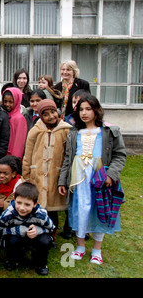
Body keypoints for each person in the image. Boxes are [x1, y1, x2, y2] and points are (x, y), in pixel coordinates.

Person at [58, 94, 126, 265]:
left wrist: (111, 175)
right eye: (81, 109)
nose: (84, 113)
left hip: (99, 178)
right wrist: (63, 181)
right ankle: (80, 247)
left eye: (88, 109)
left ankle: (97, 250)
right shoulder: (74, 133)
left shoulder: (109, 131)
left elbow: (119, 155)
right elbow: (67, 158)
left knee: (99, 211)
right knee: (80, 210)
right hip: (79, 179)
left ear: (96, 110)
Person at [22, 99, 72, 239]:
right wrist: (26, 175)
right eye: (46, 114)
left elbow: (68, 154)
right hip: (37, 174)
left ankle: (52, 233)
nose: (51, 116)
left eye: (53, 112)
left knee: (52, 209)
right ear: (40, 116)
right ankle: (35, 231)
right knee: (37, 206)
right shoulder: (35, 130)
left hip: (55, 175)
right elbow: (28, 154)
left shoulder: (66, 130)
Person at [0, 182, 55, 276]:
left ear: (35, 204)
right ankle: (13, 260)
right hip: (16, 239)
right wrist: (18, 230)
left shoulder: (41, 215)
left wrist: (38, 230)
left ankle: (40, 264)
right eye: (19, 203)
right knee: (11, 240)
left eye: (27, 204)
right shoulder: (7, 214)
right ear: (14, 199)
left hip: (36, 238)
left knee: (45, 240)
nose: (22, 208)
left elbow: (51, 228)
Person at [2, 87, 27, 160]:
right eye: (5, 101)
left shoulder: (19, 118)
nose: (7, 104)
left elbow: (19, 143)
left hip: (12, 158)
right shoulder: (4, 115)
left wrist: (15, 160)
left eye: (11, 102)